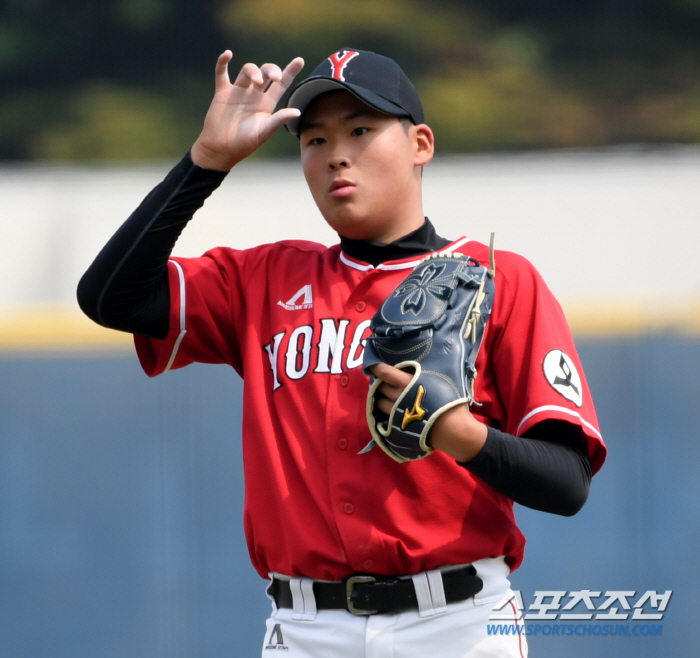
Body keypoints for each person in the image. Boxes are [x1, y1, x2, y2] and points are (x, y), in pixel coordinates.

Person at [77, 48, 607, 657]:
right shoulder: (263, 279)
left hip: (457, 624)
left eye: (361, 130)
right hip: (305, 628)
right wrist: (207, 162)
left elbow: (568, 484)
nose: (336, 155)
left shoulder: (498, 280)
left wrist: (461, 435)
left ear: (421, 144)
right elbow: (109, 297)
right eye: (315, 139)